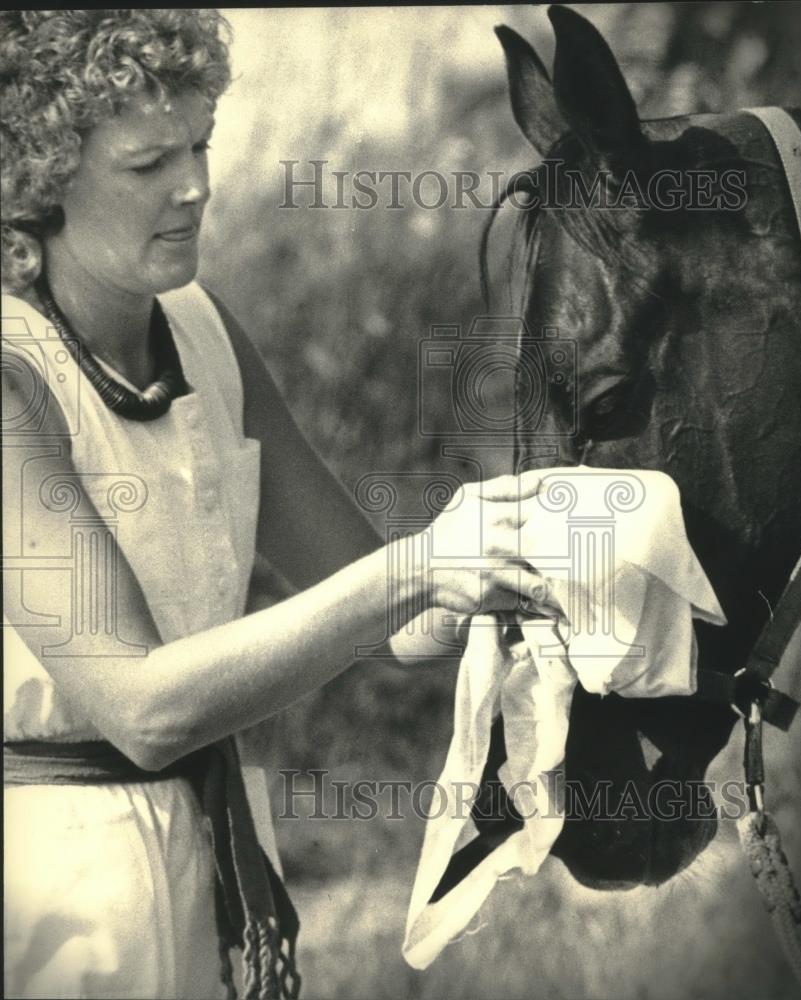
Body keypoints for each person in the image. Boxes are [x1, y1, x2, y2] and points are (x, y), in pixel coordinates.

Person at [0, 10, 549, 998]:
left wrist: (527, 548)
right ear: (40, 179)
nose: (196, 185)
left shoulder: (204, 333)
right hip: (52, 900)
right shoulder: (10, 377)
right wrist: (420, 564)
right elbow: (144, 710)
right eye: (147, 164)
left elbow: (399, 625)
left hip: (215, 860)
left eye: (202, 143)